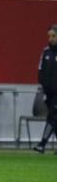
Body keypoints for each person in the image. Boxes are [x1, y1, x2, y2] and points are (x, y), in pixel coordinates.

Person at [33, 24, 57, 154]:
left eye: (53, 36)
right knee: (55, 118)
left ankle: (42, 144)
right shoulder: (46, 52)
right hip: (49, 92)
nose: (51, 39)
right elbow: (40, 70)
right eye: (49, 36)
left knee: (52, 116)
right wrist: (43, 83)